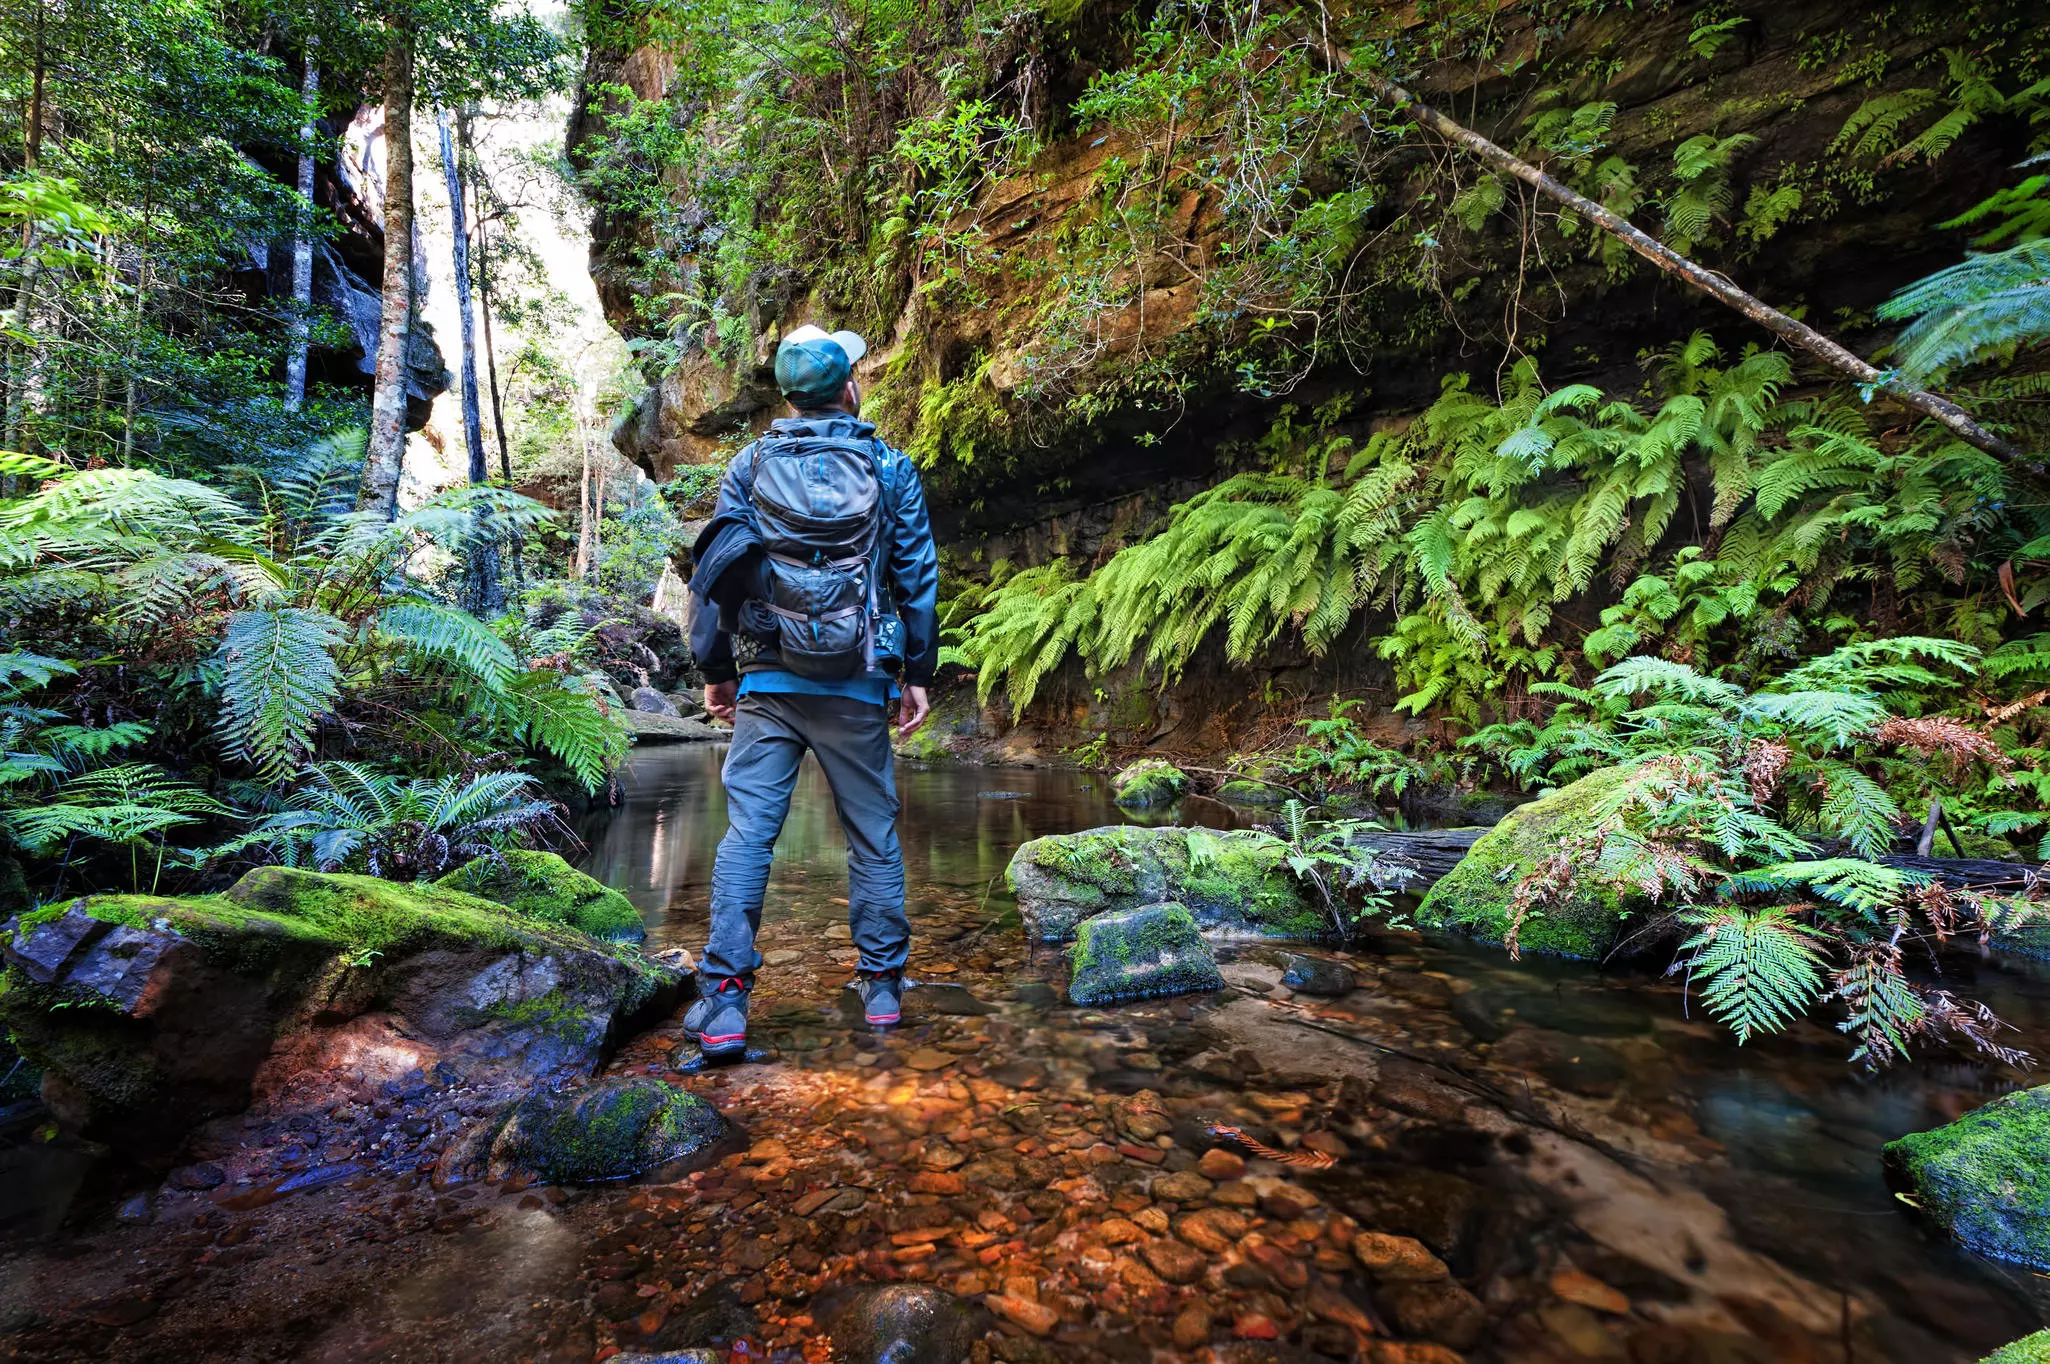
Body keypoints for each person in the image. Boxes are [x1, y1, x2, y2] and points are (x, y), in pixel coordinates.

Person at [680, 323, 939, 1058]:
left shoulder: (750, 463)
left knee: (750, 834)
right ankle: (883, 989)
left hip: (768, 673)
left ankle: (725, 998)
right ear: (847, 387)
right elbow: (916, 576)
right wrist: (916, 672)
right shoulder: (889, 467)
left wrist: (716, 671)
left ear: (790, 395)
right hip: (857, 679)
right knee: (873, 836)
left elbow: (714, 571)